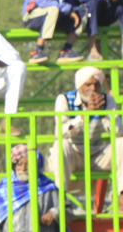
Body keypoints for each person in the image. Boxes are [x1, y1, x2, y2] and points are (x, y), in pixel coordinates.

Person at [49, 66, 123, 202]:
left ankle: (122, 195)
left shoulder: (107, 100)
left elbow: (118, 132)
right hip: (73, 154)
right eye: (88, 85)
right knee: (60, 144)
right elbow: (59, 133)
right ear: (79, 86)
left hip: (98, 155)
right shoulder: (64, 99)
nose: (93, 89)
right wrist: (84, 116)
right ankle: (59, 197)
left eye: (96, 84)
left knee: (122, 143)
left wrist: (102, 114)